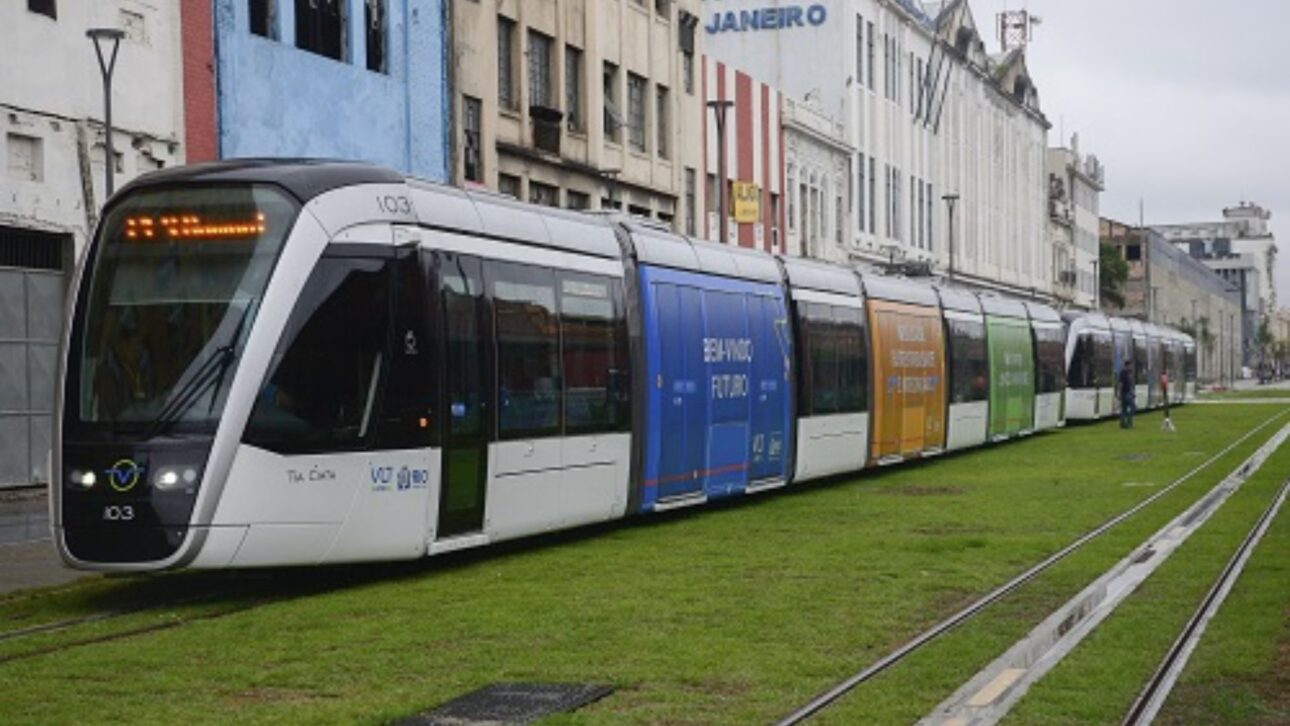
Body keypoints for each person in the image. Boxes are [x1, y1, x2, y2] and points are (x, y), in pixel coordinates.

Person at [1118, 363, 1135, 429]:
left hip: (1127, 393)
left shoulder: (1128, 373)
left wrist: (1132, 392)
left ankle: (1123, 424)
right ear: (1127, 366)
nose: (1131, 367)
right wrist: (1120, 393)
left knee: (1124, 409)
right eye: (1130, 366)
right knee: (1133, 406)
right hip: (1125, 393)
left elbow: (1129, 384)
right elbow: (1121, 384)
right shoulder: (1123, 373)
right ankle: (1128, 422)